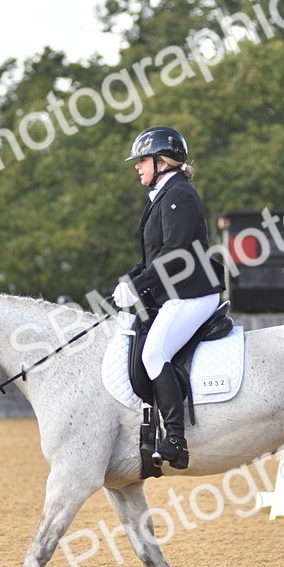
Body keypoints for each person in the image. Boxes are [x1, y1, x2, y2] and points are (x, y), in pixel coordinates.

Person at [112, 126, 224, 470]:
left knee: (154, 352)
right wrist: (129, 281)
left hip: (192, 292)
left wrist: (139, 285)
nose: (137, 167)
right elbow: (153, 256)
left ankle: (175, 437)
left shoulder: (181, 195)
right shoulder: (163, 195)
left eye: (142, 160)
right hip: (173, 293)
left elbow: (174, 254)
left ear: (162, 162)